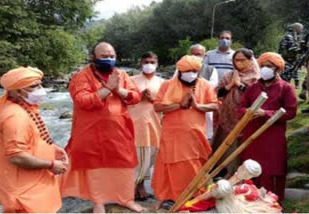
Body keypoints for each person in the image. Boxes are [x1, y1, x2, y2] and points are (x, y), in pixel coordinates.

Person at [60, 42, 143, 213]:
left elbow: (135, 97)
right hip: (91, 132)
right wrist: (107, 89)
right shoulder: (81, 77)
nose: (109, 59)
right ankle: (98, 202)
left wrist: (119, 90)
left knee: (125, 165)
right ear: (93, 57)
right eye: (104, 56)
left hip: (120, 131)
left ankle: (126, 199)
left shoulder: (121, 75)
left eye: (112, 56)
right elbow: (83, 101)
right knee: (94, 168)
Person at [0, 67, 68, 213]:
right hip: (24, 190)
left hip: (33, 183)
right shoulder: (15, 117)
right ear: (16, 91)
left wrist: (52, 148)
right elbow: (17, 157)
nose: (40, 89)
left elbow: (33, 137)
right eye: (33, 86)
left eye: (39, 84)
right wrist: (51, 164)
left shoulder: (24, 107)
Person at [151, 55, 219, 209]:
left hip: (195, 135)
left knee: (194, 166)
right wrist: (179, 105)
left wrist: (198, 106)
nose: (191, 73)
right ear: (180, 71)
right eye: (188, 70)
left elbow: (215, 105)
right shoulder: (168, 85)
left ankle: (194, 196)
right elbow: (157, 107)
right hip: (172, 134)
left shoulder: (205, 85)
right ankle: (169, 197)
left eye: (195, 70)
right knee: (171, 165)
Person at [237, 52, 297, 201]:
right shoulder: (252, 87)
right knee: (251, 170)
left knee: (273, 170)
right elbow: (240, 108)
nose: (265, 69)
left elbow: (291, 112)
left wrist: (266, 113)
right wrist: (249, 112)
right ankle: (249, 204)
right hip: (252, 136)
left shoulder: (286, 88)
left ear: (278, 69)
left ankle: (272, 205)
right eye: (262, 66)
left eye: (269, 66)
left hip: (273, 138)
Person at [212, 48, 260, 178]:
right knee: (224, 143)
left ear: (250, 61)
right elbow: (217, 93)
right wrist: (231, 84)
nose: (239, 63)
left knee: (239, 146)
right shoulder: (229, 75)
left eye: (242, 60)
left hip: (244, 119)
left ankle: (237, 173)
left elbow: (254, 95)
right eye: (236, 60)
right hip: (226, 117)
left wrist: (239, 85)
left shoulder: (256, 78)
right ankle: (222, 171)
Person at [128, 52, 164, 200]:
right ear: (140, 64)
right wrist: (138, 97)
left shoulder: (163, 83)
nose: (148, 64)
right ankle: (132, 188)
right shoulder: (130, 80)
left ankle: (140, 184)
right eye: (145, 62)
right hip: (136, 123)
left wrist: (152, 99)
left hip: (156, 123)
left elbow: (166, 104)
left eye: (151, 61)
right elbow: (121, 100)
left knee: (151, 156)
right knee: (139, 155)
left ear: (157, 64)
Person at [190, 44, 219, 141]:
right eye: (193, 54)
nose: (195, 57)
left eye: (198, 54)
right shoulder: (181, 69)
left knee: (205, 137)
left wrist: (198, 80)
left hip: (204, 106)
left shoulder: (211, 70)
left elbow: (212, 86)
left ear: (204, 56)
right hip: (187, 107)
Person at [278, 22, 304, 88]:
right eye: (301, 29)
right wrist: (302, 49)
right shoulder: (289, 37)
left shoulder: (294, 36)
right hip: (285, 61)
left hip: (289, 60)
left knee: (287, 79)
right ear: (297, 29)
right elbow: (292, 49)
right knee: (284, 78)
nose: (302, 31)